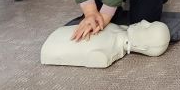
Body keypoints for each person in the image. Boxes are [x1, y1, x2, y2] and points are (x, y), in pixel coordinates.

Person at [41, 20, 171, 68]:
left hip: (54, 47)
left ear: (142, 47)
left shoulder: (113, 49)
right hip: (64, 34)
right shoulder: (120, 29)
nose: (143, 21)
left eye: (147, 27)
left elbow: (98, 58)